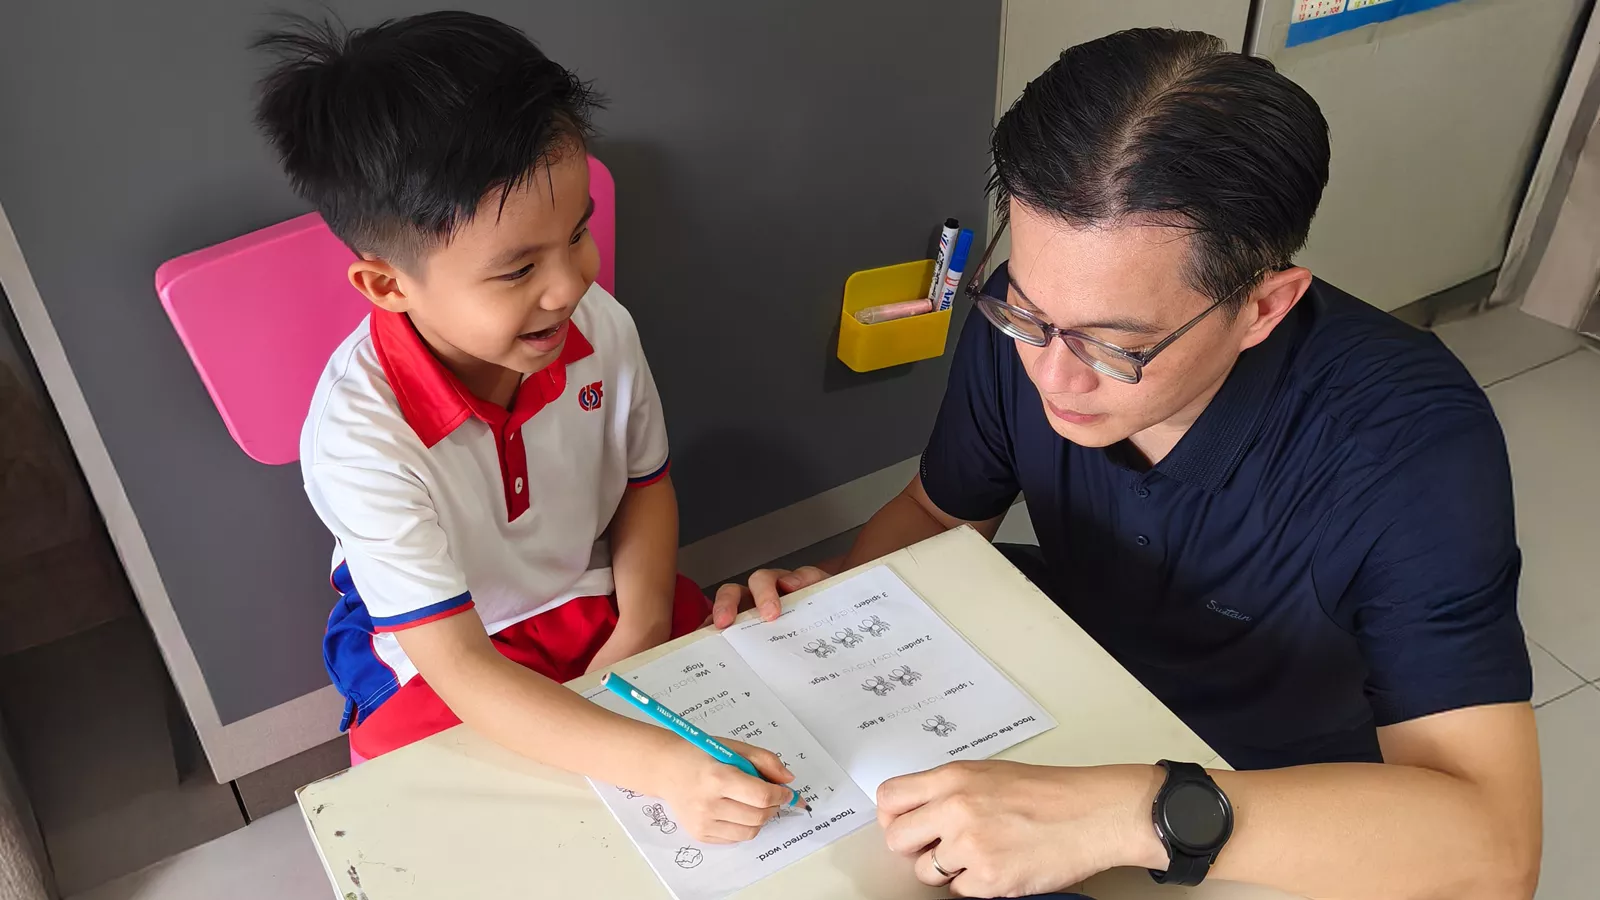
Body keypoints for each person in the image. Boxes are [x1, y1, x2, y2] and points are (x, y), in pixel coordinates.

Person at [713, 29, 1541, 899]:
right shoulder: (1028, 329)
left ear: (1264, 305)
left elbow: (1494, 850)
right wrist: (837, 601)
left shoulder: (1407, 449)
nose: (1053, 375)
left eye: (1117, 348)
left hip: (1268, 790)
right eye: (1029, 314)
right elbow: (935, 513)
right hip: (1057, 684)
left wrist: (1128, 813)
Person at [258, 12, 794, 842]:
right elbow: (463, 668)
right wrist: (658, 765)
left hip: (598, 597)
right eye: (517, 269)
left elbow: (644, 491)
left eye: (577, 233)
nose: (571, 282)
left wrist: (642, 630)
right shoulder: (358, 438)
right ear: (386, 285)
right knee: (445, 823)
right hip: (444, 653)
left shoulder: (600, 326)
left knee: (770, 682)